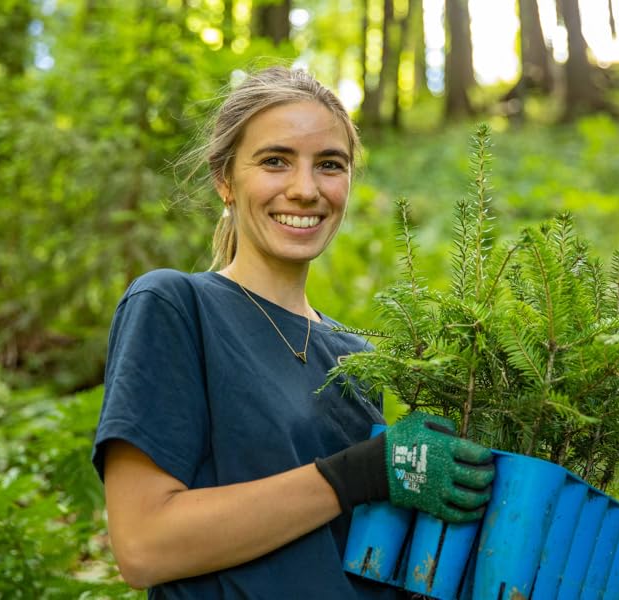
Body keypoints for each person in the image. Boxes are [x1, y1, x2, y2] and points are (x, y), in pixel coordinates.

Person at [91, 66, 496, 599]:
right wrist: (359, 474)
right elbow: (144, 546)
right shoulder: (176, 306)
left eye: (330, 165)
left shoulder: (356, 358)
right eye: (275, 161)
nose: (305, 190)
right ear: (224, 179)